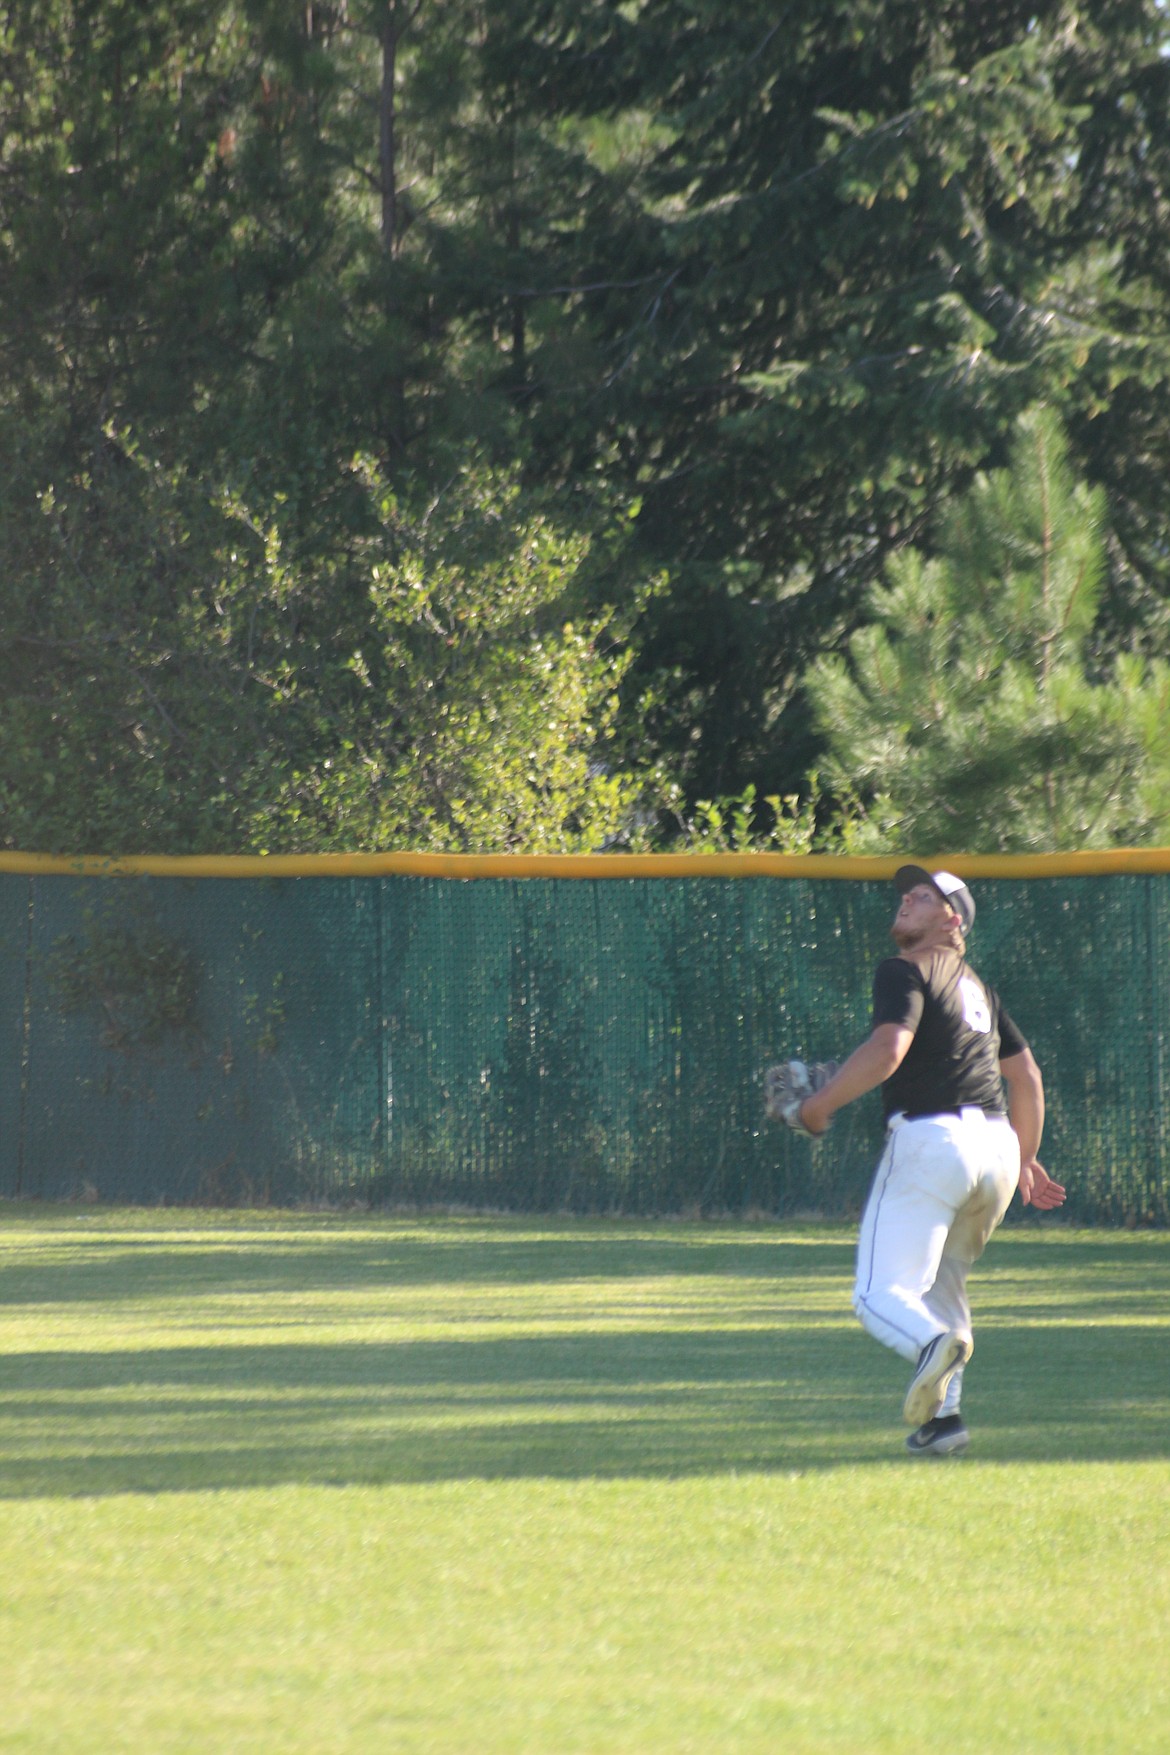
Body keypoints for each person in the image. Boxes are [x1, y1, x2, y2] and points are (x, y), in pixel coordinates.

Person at [796, 865, 1066, 1457]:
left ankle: (929, 1346)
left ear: (952, 919)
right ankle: (944, 1424)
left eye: (924, 896)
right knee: (943, 1286)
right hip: (995, 1149)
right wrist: (1023, 1156)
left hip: (934, 1141)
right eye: (906, 893)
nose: (906, 900)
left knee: (878, 1294)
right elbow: (1027, 1077)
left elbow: (890, 1048)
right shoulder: (981, 992)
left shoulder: (905, 969)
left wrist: (818, 1105)